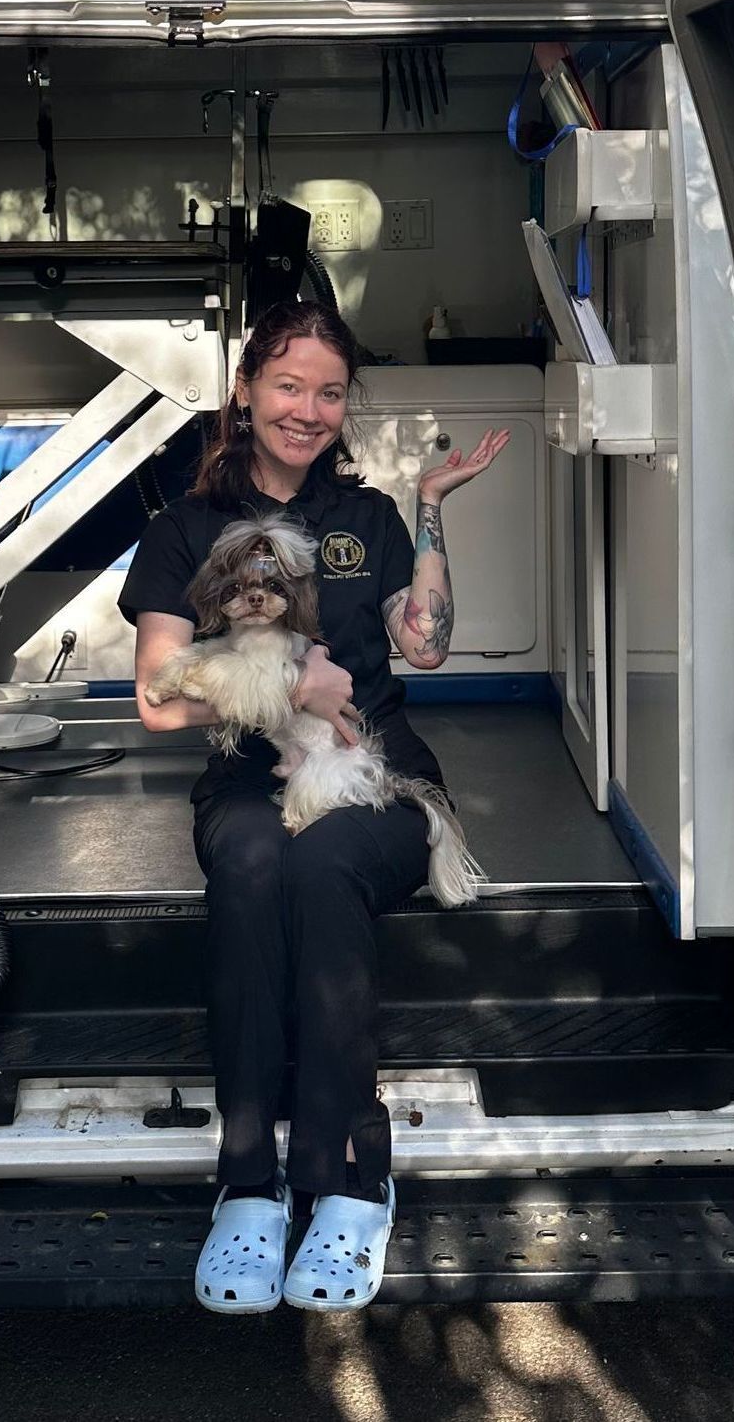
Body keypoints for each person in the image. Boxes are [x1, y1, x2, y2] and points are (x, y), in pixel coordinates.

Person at [119, 299, 508, 1314]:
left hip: (374, 768)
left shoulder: (368, 518)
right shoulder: (183, 529)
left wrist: (429, 509)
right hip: (249, 776)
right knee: (256, 864)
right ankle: (249, 1183)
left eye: (329, 392)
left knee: (324, 861)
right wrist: (294, 684)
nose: (307, 409)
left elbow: (424, 646)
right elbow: (158, 698)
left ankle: (348, 1177)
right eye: (287, 385)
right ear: (246, 390)